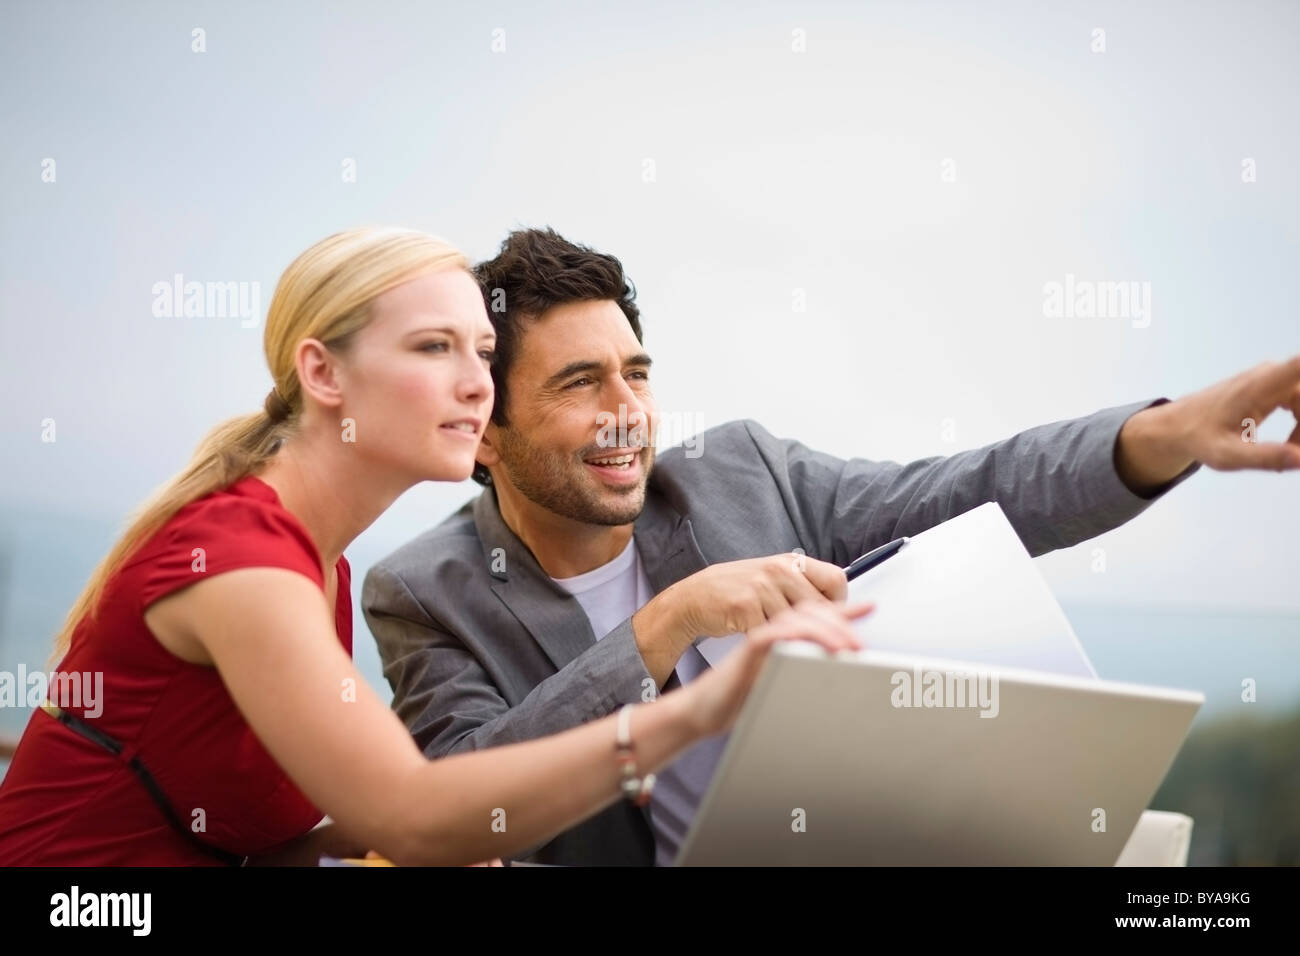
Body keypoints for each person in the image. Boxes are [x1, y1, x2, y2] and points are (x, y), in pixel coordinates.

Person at [363, 226, 1300, 866]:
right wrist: (661, 626)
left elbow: (975, 489)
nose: (628, 414)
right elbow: (460, 803)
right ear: (488, 429)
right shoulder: (424, 591)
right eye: (580, 383)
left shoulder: (742, 474)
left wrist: (1174, 434)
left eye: (637, 374)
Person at [0, 226, 871, 866]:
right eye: (434, 348)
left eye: (484, 353)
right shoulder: (244, 562)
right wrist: (696, 712)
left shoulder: (318, 563)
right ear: (323, 374)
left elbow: (298, 831)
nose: (474, 384)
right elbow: (412, 815)